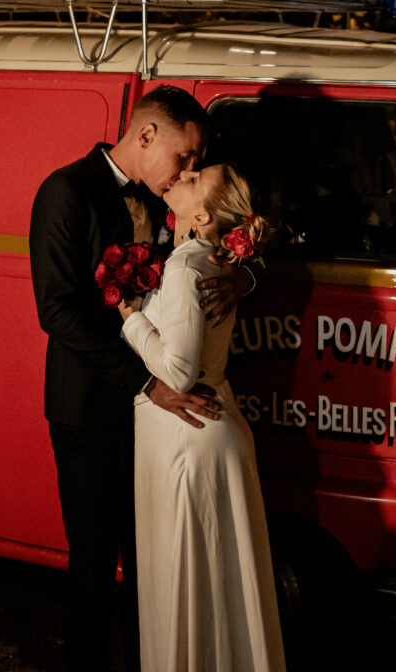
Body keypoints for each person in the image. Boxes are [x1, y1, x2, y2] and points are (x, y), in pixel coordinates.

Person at [29, 86, 242, 672]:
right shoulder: (66, 191)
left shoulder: (173, 199)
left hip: (156, 420)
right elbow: (57, 309)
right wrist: (146, 384)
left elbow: (225, 233)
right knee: (95, 566)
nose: (190, 170)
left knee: (153, 563)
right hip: (92, 410)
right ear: (146, 135)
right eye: (185, 157)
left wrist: (242, 281)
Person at [119, 163, 287, 672]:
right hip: (209, 429)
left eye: (194, 177)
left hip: (187, 438)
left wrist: (130, 321)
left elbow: (177, 370)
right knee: (219, 593)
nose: (184, 173)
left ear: (201, 214)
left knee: (188, 587)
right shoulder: (208, 257)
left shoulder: (187, 265)